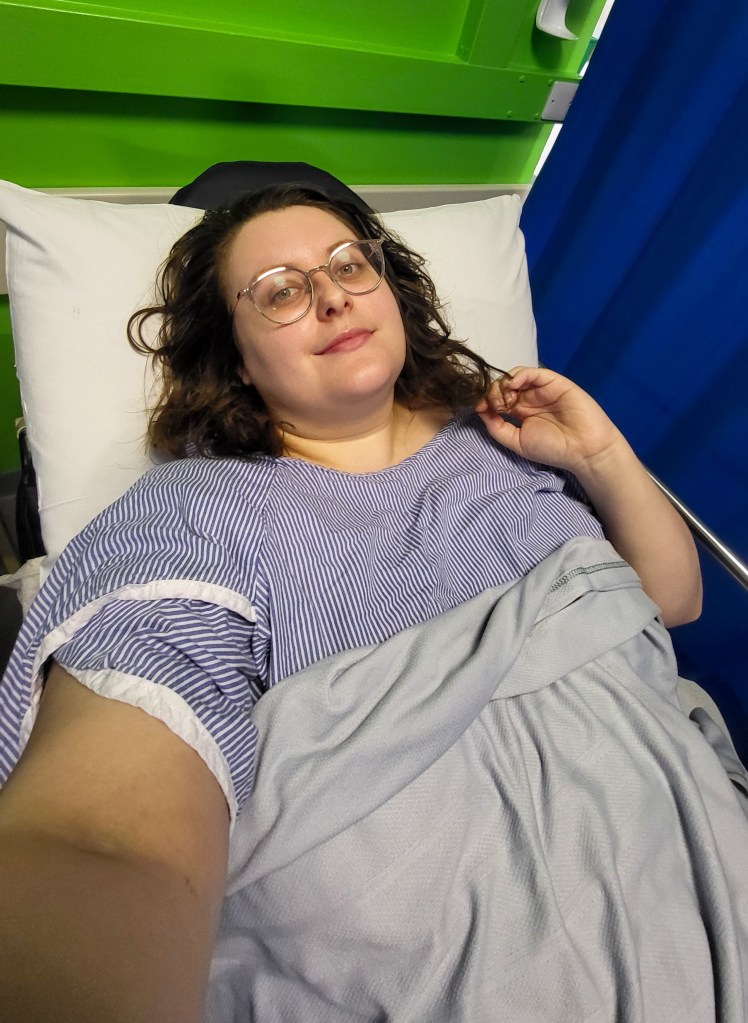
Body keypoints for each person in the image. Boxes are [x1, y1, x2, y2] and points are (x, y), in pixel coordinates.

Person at [0, 183, 738, 1023]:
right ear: (236, 356)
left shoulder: (503, 437)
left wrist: (600, 451)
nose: (332, 295)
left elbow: (670, 602)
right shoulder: (197, 508)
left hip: (685, 844)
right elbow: (98, 834)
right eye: (281, 289)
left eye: (351, 264)